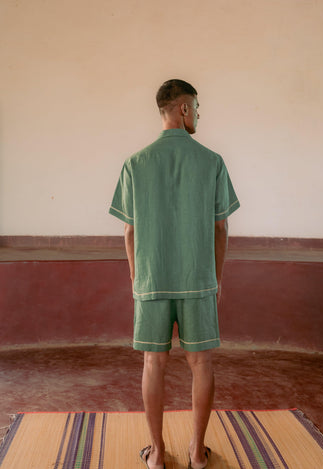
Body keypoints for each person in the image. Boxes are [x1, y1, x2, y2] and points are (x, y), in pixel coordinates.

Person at [109, 79, 240, 469]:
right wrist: (215, 278)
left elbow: (130, 230)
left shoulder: (135, 163)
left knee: (154, 364)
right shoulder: (212, 161)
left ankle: (155, 454)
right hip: (198, 278)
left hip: (151, 278)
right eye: (197, 106)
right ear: (183, 108)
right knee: (201, 364)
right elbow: (220, 228)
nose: (199, 113)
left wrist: (137, 277)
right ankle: (197, 453)